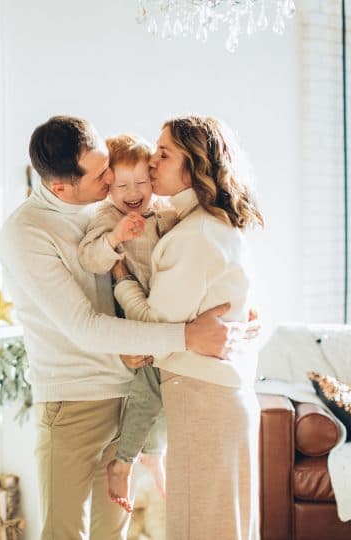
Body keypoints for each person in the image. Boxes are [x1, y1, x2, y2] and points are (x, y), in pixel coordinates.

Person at [0, 115, 249, 540]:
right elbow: (85, 327)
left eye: (107, 164)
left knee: (113, 533)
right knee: (64, 532)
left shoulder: (104, 206)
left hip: (128, 390)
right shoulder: (27, 231)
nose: (113, 176)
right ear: (61, 187)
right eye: (101, 174)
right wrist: (187, 336)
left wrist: (236, 315)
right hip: (74, 401)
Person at [111, 115, 264, 540]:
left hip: (203, 402)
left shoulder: (196, 236)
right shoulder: (207, 227)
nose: (151, 163)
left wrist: (121, 278)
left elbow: (152, 329)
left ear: (194, 165)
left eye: (164, 153)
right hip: (214, 400)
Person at [77, 134, 175, 510]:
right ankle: (132, 457)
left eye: (141, 183)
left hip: (160, 307)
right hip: (131, 312)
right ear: (108, 187)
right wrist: (117, 237)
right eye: (121, 185)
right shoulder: (107, 216)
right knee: (151, 385)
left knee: (166, 384)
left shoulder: (164, 210)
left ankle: (150, 451)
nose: (133, 192)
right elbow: (90, 259)